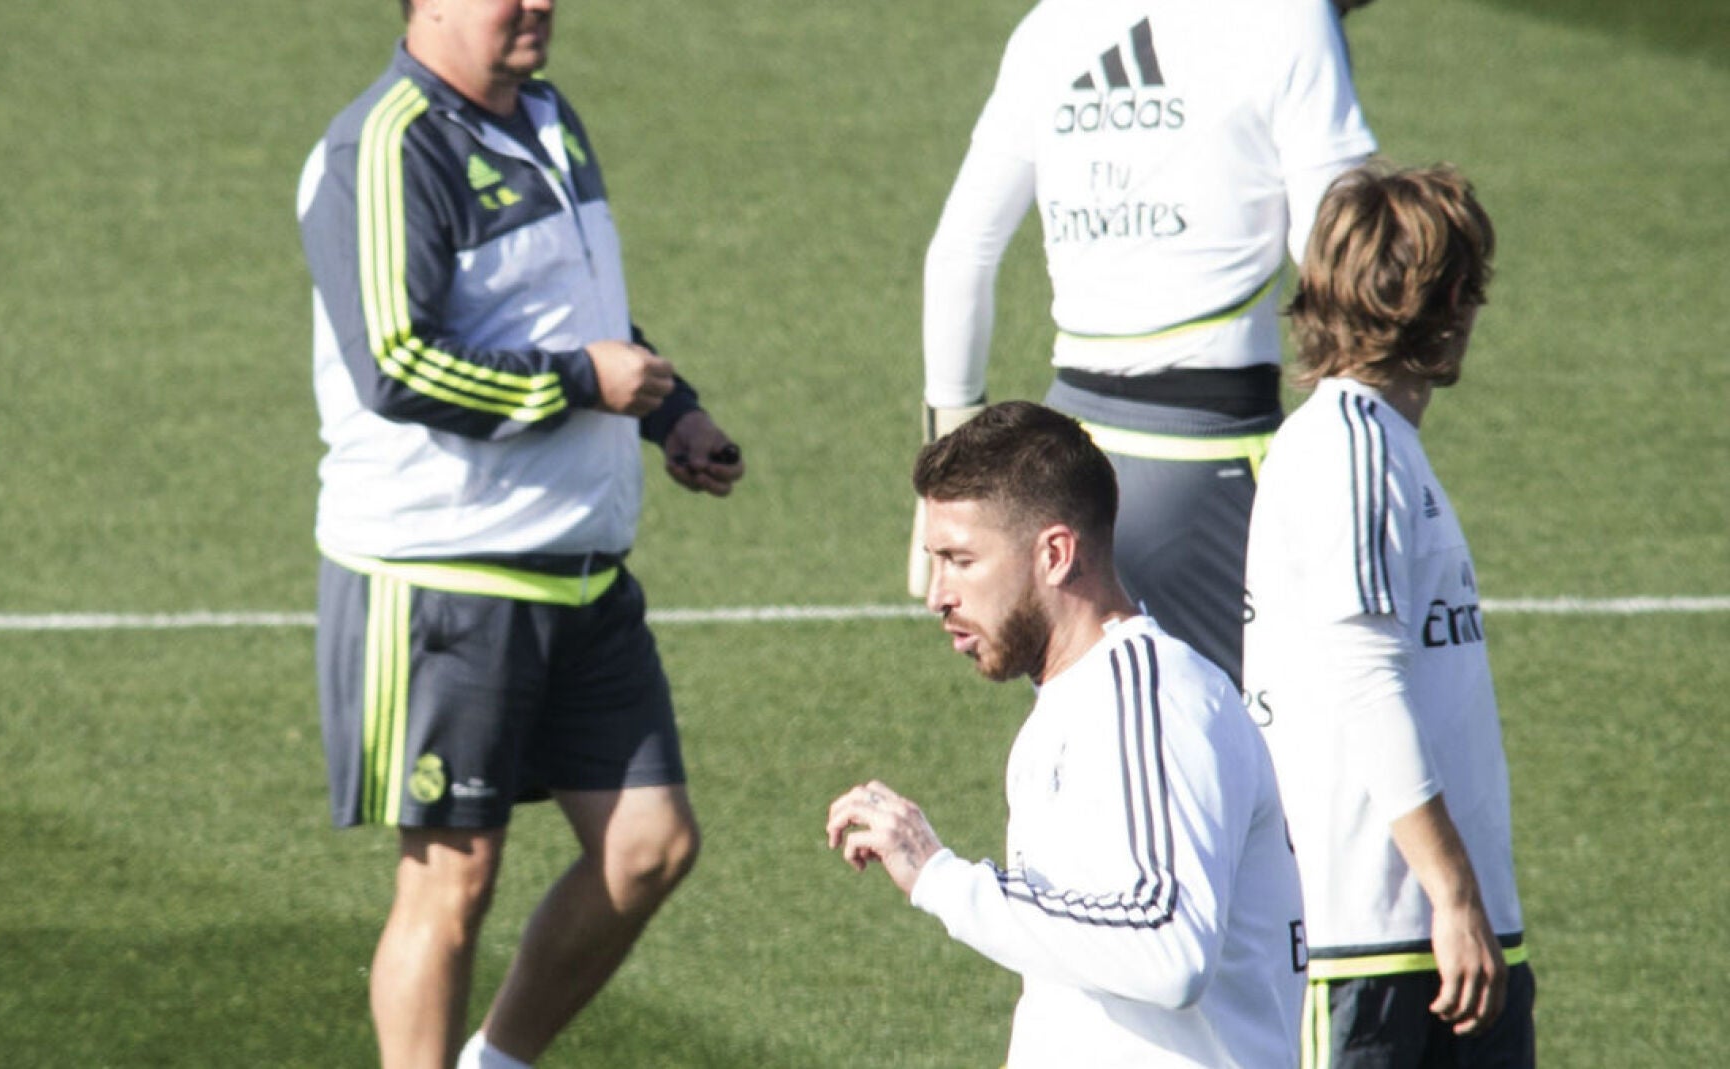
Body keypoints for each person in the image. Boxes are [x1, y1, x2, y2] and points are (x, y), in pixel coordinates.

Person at [295, 2, 744, 1066]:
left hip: (582, 568)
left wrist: (670, 413)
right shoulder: (385, 145)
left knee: (649, 845)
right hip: (442, 569)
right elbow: (397, 364)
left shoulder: (546, 115)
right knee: (452, 878)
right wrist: (586, 382)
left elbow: (575, 305)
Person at [831, 402, 1308, 1067]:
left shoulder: (1151, 697)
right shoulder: (1069, 707)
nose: (937, 593)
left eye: (960, 559)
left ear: (1054, 553)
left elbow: (1169, 950)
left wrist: (942, 878)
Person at [915, 0, 1376, 685]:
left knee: (1088, 737)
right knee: (1256, 749)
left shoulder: (1052, 26)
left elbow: (961, 255)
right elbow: (1343, 252)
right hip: (1210, 459)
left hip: (1060, 461)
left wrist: (944, 491)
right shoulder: (1286, 17)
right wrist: (1367, 436)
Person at [1241, 164, 1533, 1066]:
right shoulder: (1352, 447)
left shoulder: (1377, 447)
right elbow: (1364, 676)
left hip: (1427, 939)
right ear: (1447, 298)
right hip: (1378, 938)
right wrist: (1451, 894)